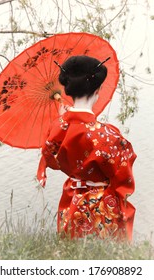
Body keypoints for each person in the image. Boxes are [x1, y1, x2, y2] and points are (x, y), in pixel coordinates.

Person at [37, 55, 136, 241]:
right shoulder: (107, 135)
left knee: (72, 256)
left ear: (69, 91)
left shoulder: (58, 128)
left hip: (71, 202)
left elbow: (50, 158)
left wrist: (61, 121)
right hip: (101, 208)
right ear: (97, 90)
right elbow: (124, 179)